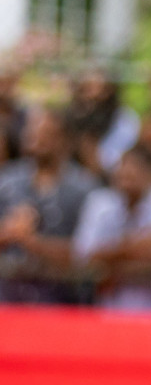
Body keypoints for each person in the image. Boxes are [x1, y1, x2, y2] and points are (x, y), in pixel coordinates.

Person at [0, 107, 99, 303]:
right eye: (32, 132)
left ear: (65, 140)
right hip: (10, 298)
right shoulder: (7, 181)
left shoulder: (85, 189)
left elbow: (88, 253)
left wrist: (32, 242)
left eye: (47, 134)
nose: (37, 139)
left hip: (63, 301)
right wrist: (9, 231)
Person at [73, 144, 151, 310]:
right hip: (109, 308)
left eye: (136, 167)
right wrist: (131, 248)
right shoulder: (100, 203)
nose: (127, 173)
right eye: (123, 167)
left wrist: (109, 263)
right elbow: (83, 256)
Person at [63, 68, 138, 176]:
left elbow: (117, 159)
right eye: (86, 88)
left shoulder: (124, 120)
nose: (90, 94)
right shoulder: (74, 116)